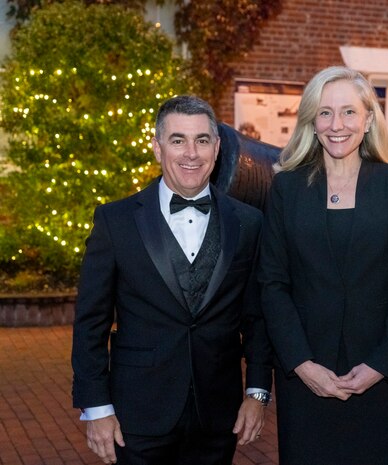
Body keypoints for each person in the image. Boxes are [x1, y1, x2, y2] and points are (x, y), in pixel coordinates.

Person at [71, 95, 273, 465]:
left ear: (216, 147)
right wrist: (96, 407)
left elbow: (258, 318)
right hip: (137, 416)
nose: (190, 153)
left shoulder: (249, 223)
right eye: (178, 140)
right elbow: (90, 323)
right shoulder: (115, 222)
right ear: (157, 147)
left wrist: (256, 393)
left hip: (218, 415)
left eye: (201, 140)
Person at [258, 66, 388, 465]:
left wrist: (380, 365)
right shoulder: (286, 188)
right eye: (325, 112)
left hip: (382, 377)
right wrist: (300, 363)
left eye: (349, 112)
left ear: (368, 120)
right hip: (306, 376)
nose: (338, 125)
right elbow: (272, 282)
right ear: (311, 123)